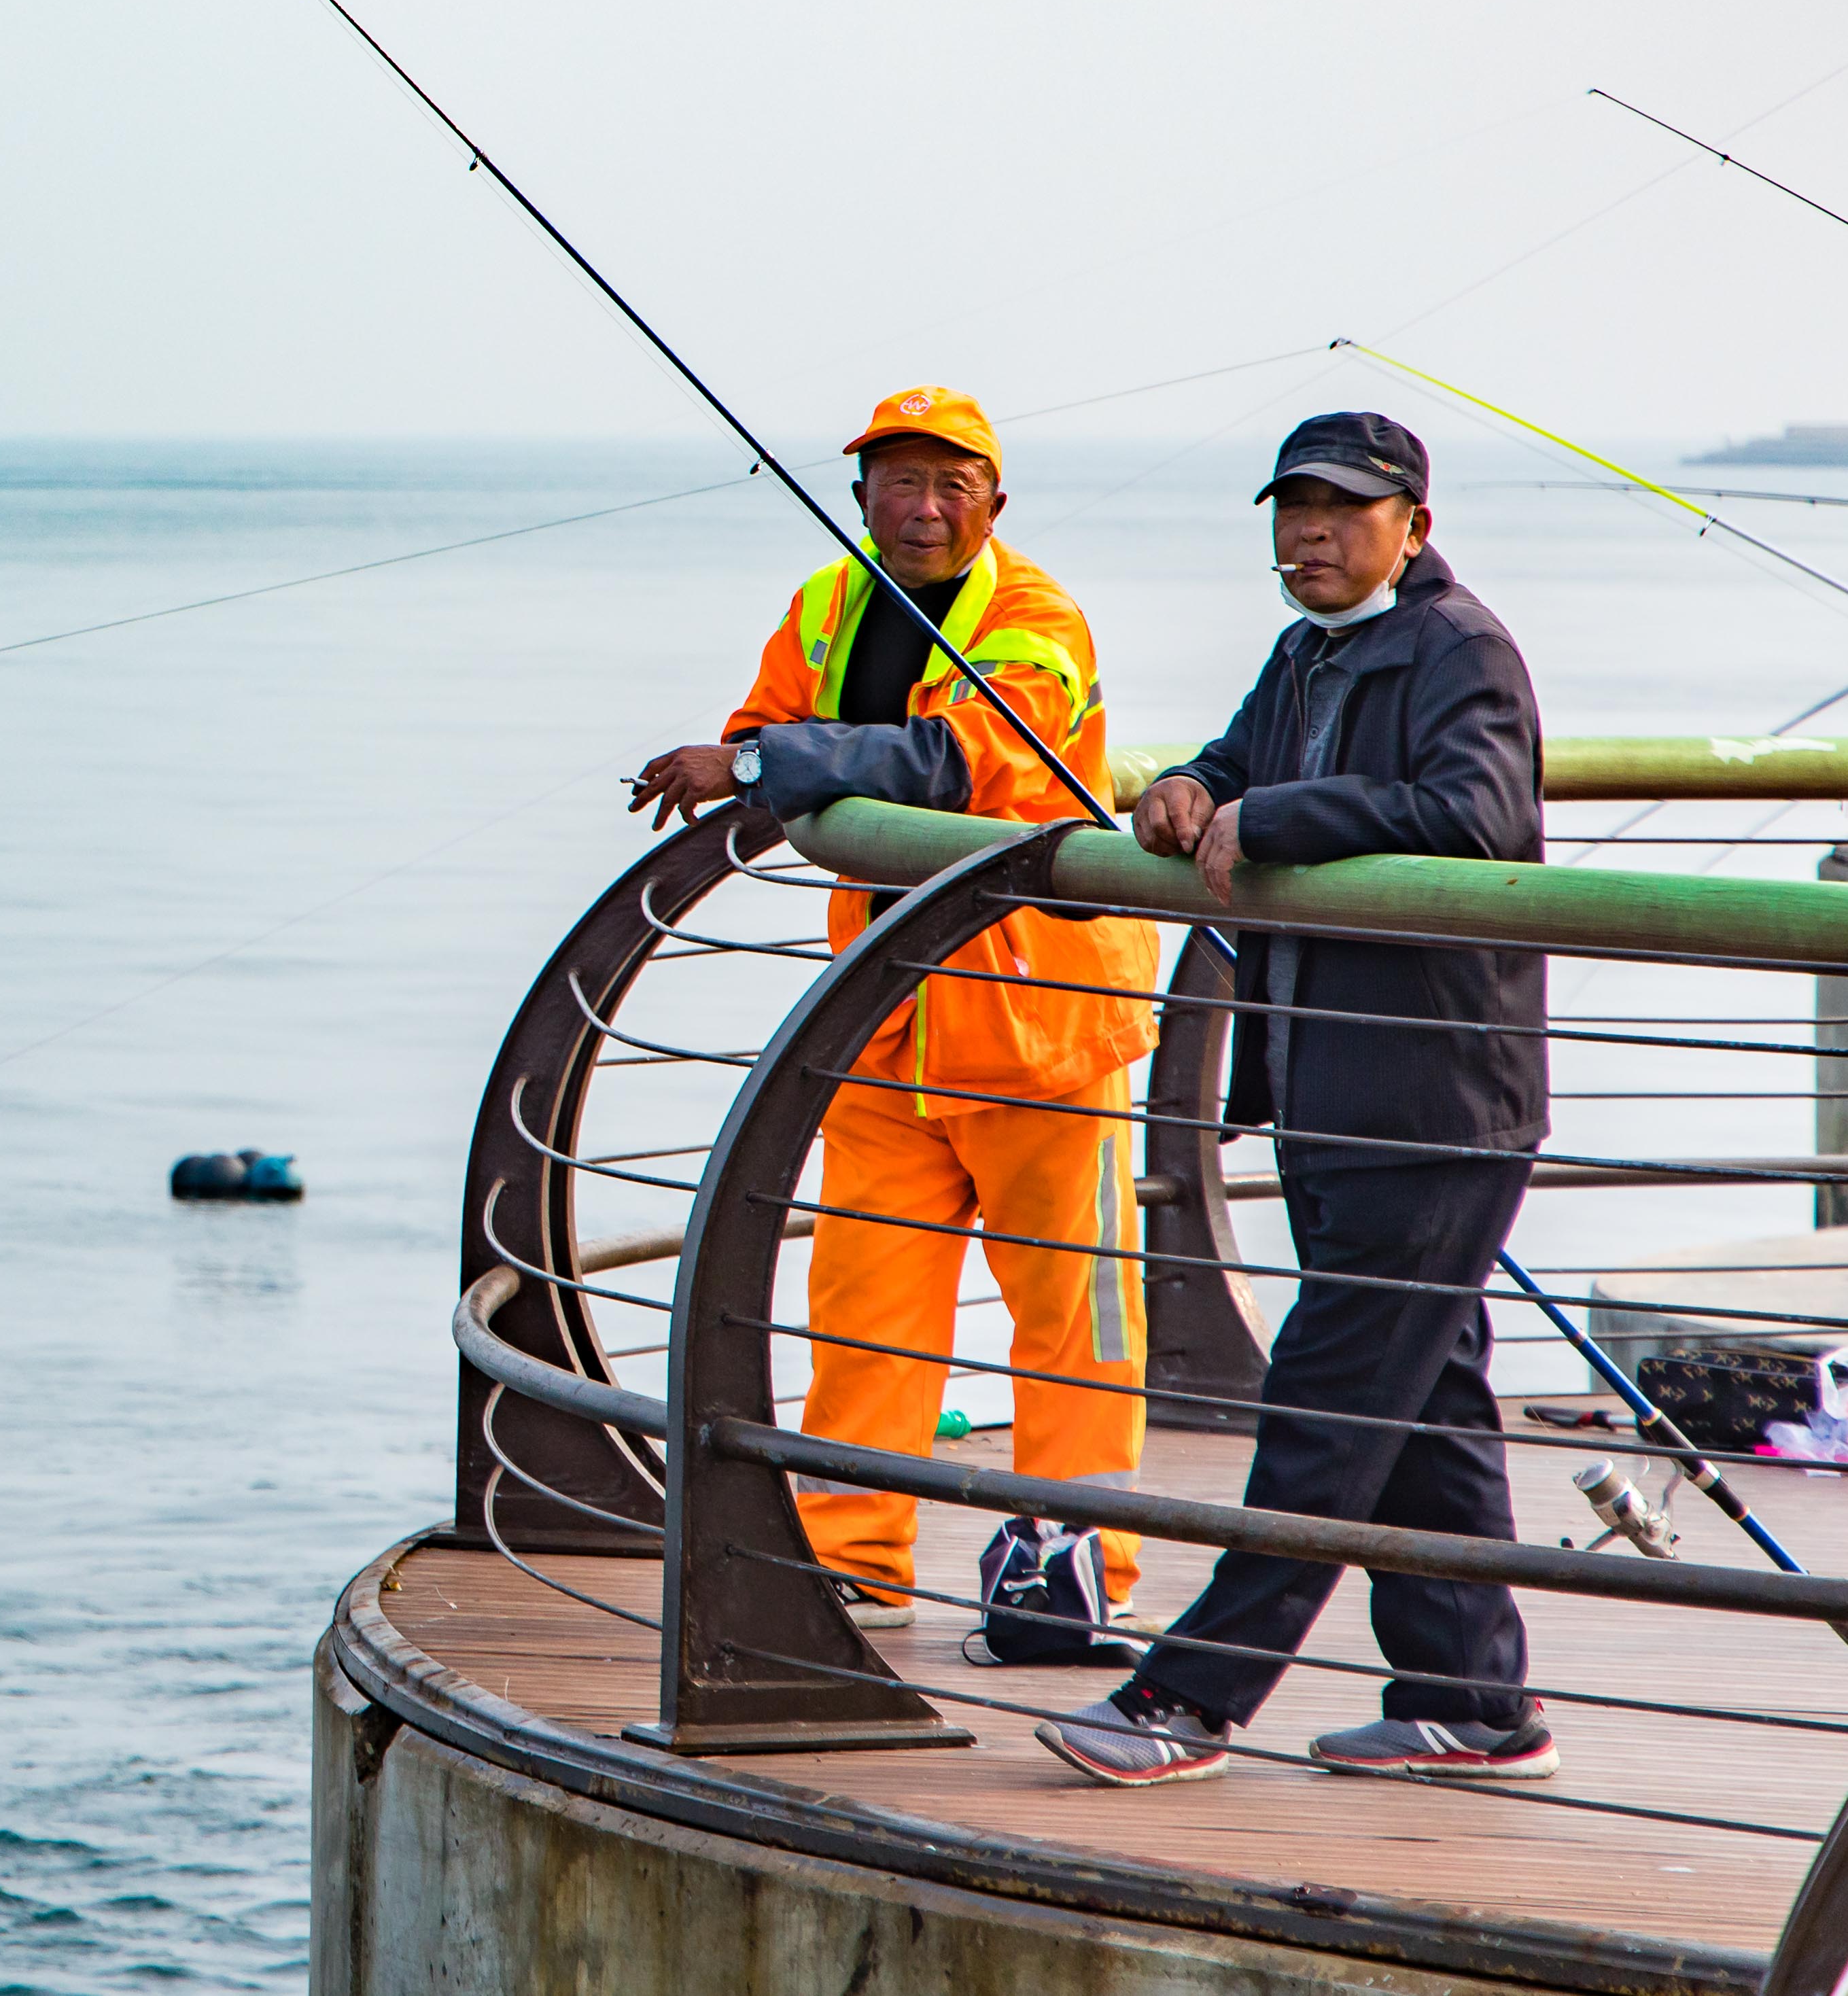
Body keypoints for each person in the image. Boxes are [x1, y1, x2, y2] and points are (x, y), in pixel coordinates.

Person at [1039, 411, 1556, 1787]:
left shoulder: (1460, 650)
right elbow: (1236, 760)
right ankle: (1471, 1702)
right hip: (1333, 1088)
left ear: (1413, 525)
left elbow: (1474, 813)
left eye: (1342, 508)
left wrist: (1268, 819)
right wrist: (1188, 789)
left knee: (1325, 1403)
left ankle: (1184, 1701)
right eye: (1291, 508)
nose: (1310, 532)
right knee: (1424, 1398)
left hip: (1433, 1102)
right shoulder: (1305, 652)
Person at [637, 387, 1160, 1632]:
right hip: (880, 1033)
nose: (922, 509)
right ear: (862, 489)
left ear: (995, 503)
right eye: (897, 482)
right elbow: (759, 723)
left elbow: (963, 763)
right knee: (863, 1321)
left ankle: (1080, 1571)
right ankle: (847, 1568)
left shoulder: (1036, 618)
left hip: (1045, 1033)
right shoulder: (827, 603)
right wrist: (765, 755)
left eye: (950, 486)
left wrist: (769, 766)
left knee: (1073, 1324)